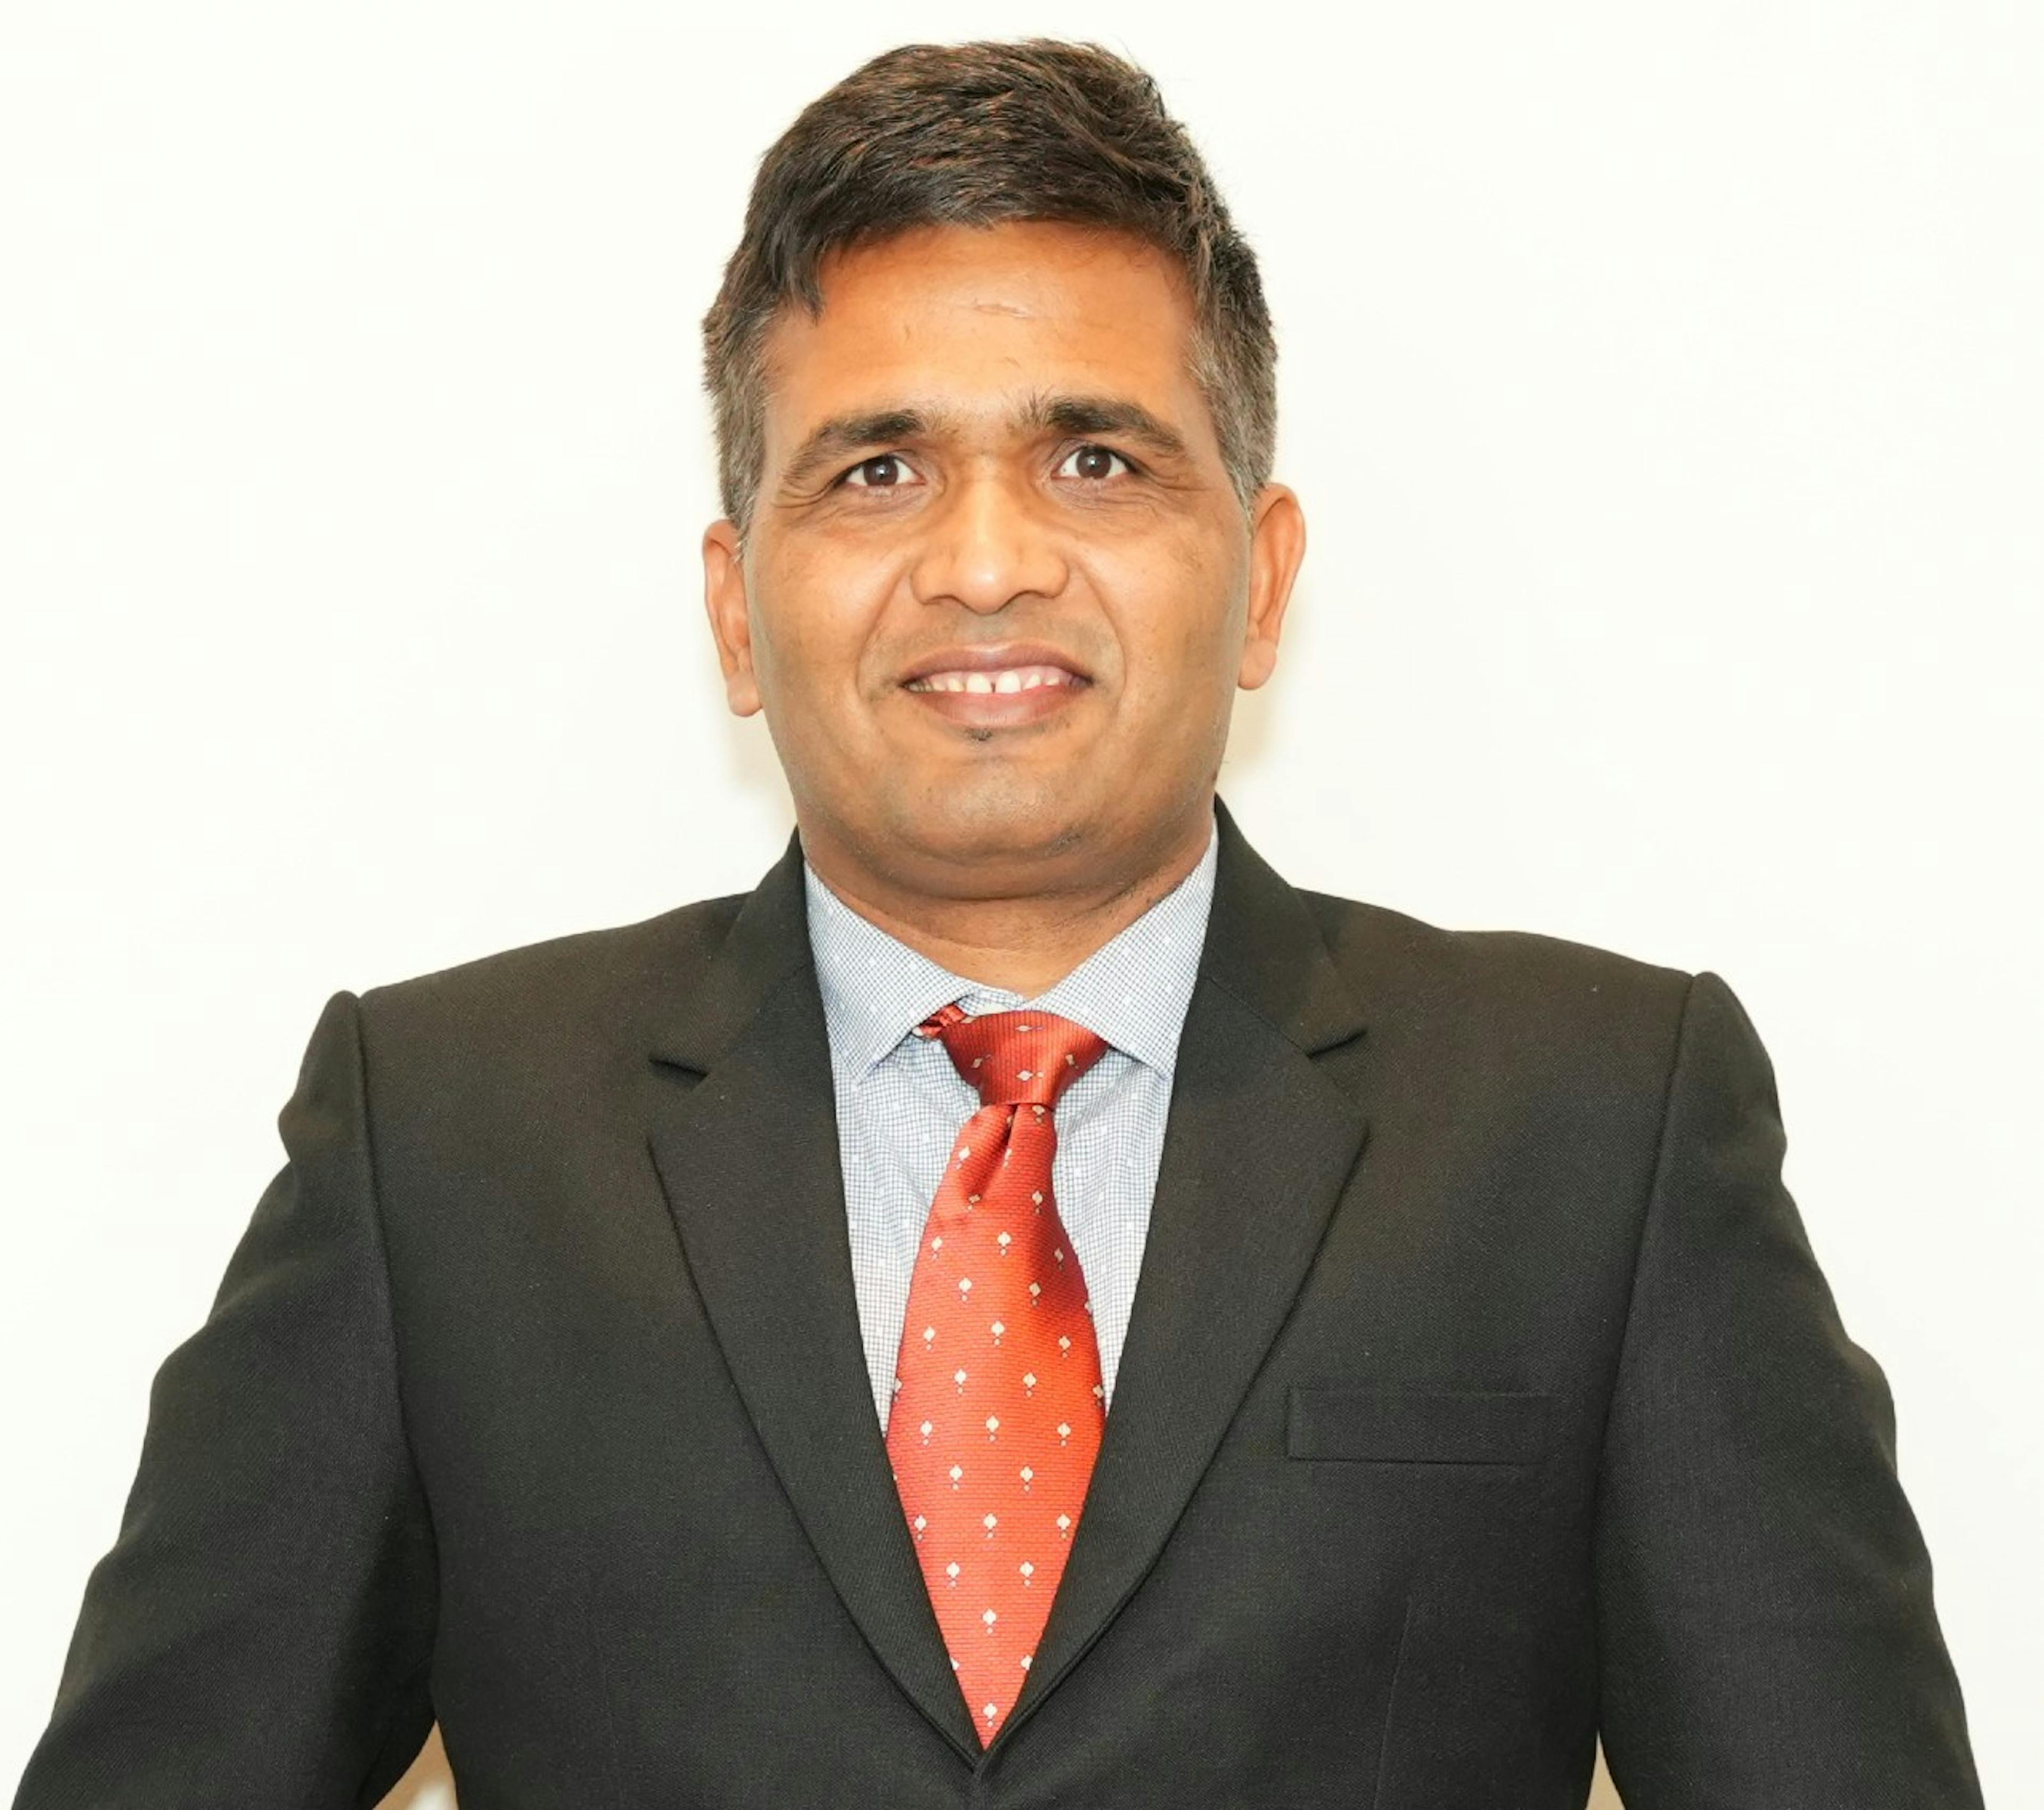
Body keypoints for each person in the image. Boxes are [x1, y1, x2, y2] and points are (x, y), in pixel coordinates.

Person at [13, 38, 1982, 1808]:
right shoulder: (436, 1143)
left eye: (1095, 458)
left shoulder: (1601, 1126)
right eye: (878, 469)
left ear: (1263, 579)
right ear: (734, 610)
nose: (985, 563)